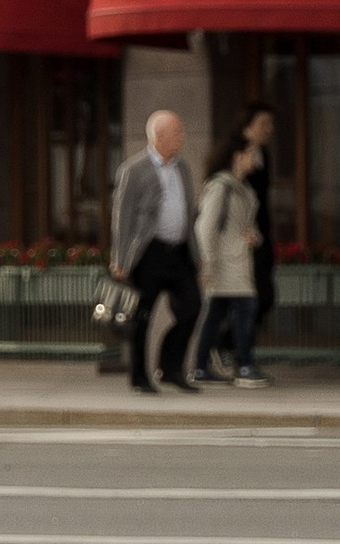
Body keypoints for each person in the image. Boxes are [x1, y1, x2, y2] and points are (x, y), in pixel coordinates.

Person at [108, 107, 202, 395]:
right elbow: (122, 217)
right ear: (159, 136)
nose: (182, 136)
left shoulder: (182, 168)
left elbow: (189, 212)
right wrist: (120, 259)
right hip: (148, 253)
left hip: (179, 252)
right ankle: (140, 377)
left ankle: (170, 367)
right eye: (177, 132)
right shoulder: (133, 170)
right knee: (142, 316)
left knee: (192, 307)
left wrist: (197, 256)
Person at [193, 137, 268, 387]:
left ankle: (201, 367)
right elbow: (205, 227)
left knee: (215, 314)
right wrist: (207, 264)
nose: (255, 160)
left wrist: (253, 236)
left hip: (238, 260)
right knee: (246, 308)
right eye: (251, 154)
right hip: (224, 262)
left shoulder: (242, 187)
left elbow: (248, 224)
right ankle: (244, 365)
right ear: (238, 155)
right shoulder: (221, 186)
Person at [242, 98, 279, 365]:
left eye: (271, 124)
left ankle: (236, 348)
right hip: (243, 238)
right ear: (248, 125)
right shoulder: (237, 154)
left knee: (265, 296)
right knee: (248, 299)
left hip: (262, 235)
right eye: (264, 123)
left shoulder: (264, 155)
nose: (269, 129)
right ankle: (235, 351)